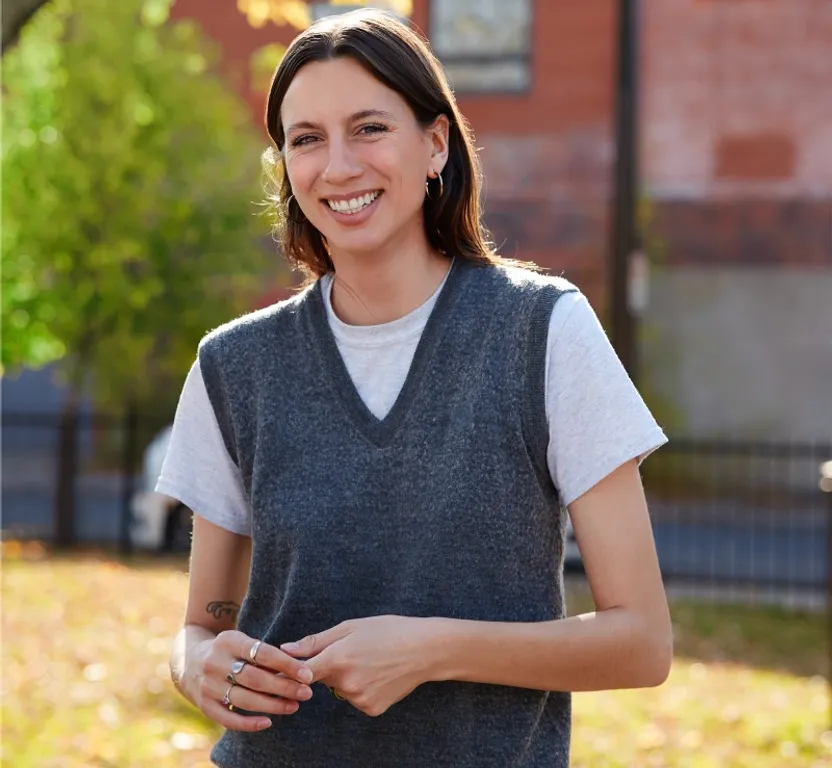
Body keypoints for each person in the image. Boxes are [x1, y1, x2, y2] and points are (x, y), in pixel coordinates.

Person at [161, 9, 672, 767]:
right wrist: (194, 664)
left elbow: (641, 644)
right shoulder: (232, 366)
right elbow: (204, 625)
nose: (337, 166)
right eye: (306, 139)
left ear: (435, 144)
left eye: (369, 128)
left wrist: (430, 650)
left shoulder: (544, 332)